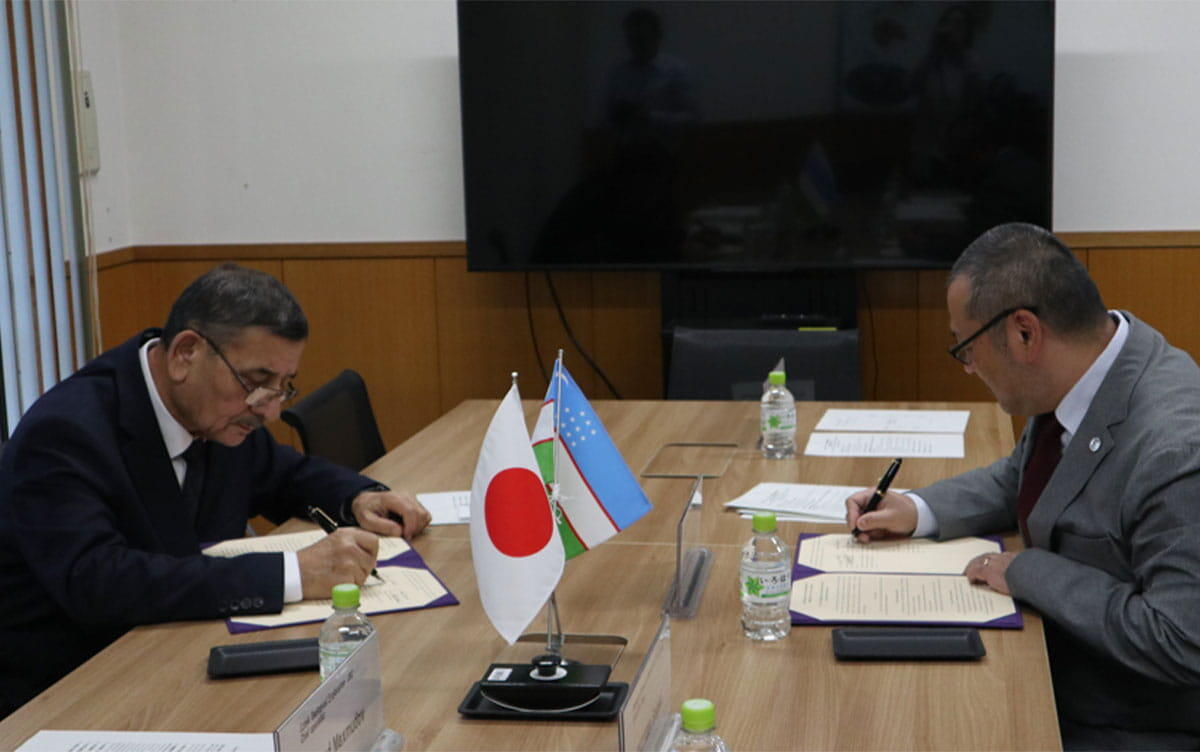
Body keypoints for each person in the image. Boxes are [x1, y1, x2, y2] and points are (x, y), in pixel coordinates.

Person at [0, 263, 431, 718]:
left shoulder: (212, 410)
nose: (269, 410)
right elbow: (99, 582)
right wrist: (293, 573)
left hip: (178, 653)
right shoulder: (66, 432)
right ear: (185, 354)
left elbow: (283, 474)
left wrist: (358, 498)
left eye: (283, 387)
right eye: (257, 383)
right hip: (69, 693)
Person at [846, 223, 1200, 750]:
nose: (968, 369)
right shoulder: (1087, 366)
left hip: (1123, 721)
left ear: (1024, 333)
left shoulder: (1176, 451)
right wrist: (918, 509)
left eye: (966, 349)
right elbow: (1024, 476)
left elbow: (1181, 640)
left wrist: (1029, 572)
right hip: (1047, 659)